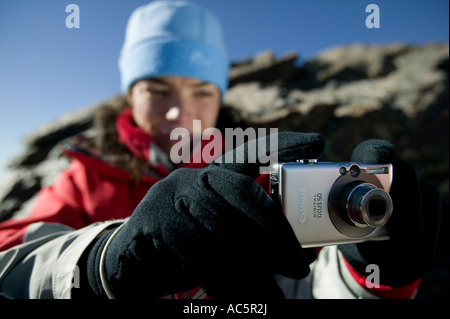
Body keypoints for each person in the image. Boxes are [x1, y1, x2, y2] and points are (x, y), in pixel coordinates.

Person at [0, 1, 447, 299]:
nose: (179, 113)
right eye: (156, 90)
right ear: (129, 96)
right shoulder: (82, 179)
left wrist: (365, 277)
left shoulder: (262, 163)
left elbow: (298, 288)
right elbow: (8, 261)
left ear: (220, 97)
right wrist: (105, 257)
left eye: (200, 91)